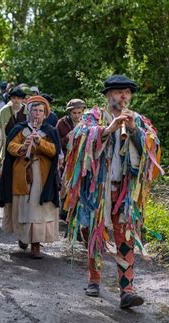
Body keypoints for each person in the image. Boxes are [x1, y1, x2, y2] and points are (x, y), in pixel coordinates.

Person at [61, 75, 163, 308]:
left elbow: (152, 148)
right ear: (108, 95)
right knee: (95, 235)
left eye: (127, 92)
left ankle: (127, 290)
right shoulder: (93, 116)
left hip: (125, 193)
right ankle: (94, 279)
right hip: (98, 189)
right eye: (118, 92)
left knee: (125, 237)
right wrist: (107, 130)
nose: (124, 96)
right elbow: (77, 140)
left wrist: (135, 131)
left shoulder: (138, 119)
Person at [0, 95, 60, 259]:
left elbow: (54, 151)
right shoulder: (20, 128)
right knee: (23, 207)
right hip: (22, 174)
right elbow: (10, 147)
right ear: (28, 112)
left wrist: (40, 142)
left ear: (45, 114)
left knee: (38, 209)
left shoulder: (50, 131)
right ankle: (23, 237)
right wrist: (24, 146)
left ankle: (36, 244)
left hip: (42, 176)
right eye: (34, 110)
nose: (37, 114)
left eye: (40, 111)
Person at [56, 98, 86, 222]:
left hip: (82, 159)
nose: (77, 116)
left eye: (79, 113)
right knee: (66, 183)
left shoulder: (87, 122)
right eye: (74, 113)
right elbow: (56, 142)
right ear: (69, 112)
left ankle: (76, 211)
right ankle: (63, 210)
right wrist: (69, 138)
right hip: (66, 159)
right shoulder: (61, 123)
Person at [0, 86, 27, 170]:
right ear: (10, 98)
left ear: (22, 99)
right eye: (14, 98)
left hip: (23, 143)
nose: (16, 100)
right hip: (8, 143)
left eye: (19, 98)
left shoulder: (27, 110)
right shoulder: (3, 111)